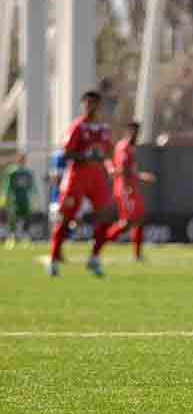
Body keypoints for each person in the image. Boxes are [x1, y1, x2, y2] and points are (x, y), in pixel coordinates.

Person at [48, 90, 116, 277]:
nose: (90, 107)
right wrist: (84, 156)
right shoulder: (78, 127)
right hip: (77, 176)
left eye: (93, 103)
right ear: (83, 105)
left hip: (96, 177)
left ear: (98, 105)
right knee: (66, 219)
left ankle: (94, 258)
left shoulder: (103, 129)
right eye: (87, 103)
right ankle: (53, 260)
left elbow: (109, 151)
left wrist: (109, 164)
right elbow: (66, 152)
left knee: (106, 215)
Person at [104, 122, 156, 261]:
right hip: (125, 189)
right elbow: (122, 170)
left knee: (138, 219)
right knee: (127, 222)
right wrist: (139, 178)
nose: (136, 135)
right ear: (128, 132)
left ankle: (137, 255)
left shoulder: (130, 147)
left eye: (137, 132)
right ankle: (101, 241)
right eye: (133, 131)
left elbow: (126, 169)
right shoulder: (124, 147)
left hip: (130, 188)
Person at [2, 153, 36, 249]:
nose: (22, 160)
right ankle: (11, 238)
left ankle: (26, 238)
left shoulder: (28, 172)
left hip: (25, 199)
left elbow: (31, 187)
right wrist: (6, 197)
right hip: (15, 199)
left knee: (26, 218)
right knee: (13, 218)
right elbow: (7, 186)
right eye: (20, 159)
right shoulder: (12, 172)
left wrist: (33, 198)